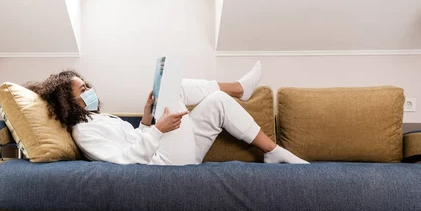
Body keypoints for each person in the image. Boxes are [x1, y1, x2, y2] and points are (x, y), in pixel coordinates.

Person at [25, 62, 309, 165]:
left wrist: (147, 118)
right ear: (68, 101)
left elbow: (135, 141)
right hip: (163, 163)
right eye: (82, 89)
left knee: (218, 102)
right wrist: (160, 129)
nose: (89, 90)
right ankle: (240, 88)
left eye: (87, 85)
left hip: (174, 154)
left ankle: (272, 152)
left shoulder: (98, 119)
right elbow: (127, 161)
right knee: (175, 87)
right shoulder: (83, 131)